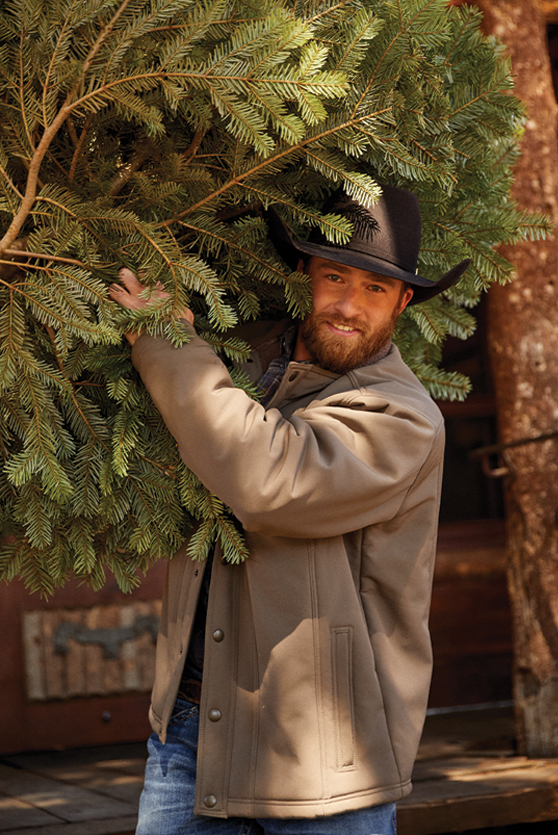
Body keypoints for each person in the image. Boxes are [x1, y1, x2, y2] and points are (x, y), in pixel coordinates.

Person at [109, 186, 469, 835]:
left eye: (376, 290)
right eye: (336, 277)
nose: (348, 306)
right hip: (188, 737)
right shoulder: (242, 353)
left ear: (404, 302)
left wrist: (166, 343)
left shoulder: (403, 416)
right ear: (306, 274)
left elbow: (267, 476)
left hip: (327, 767)